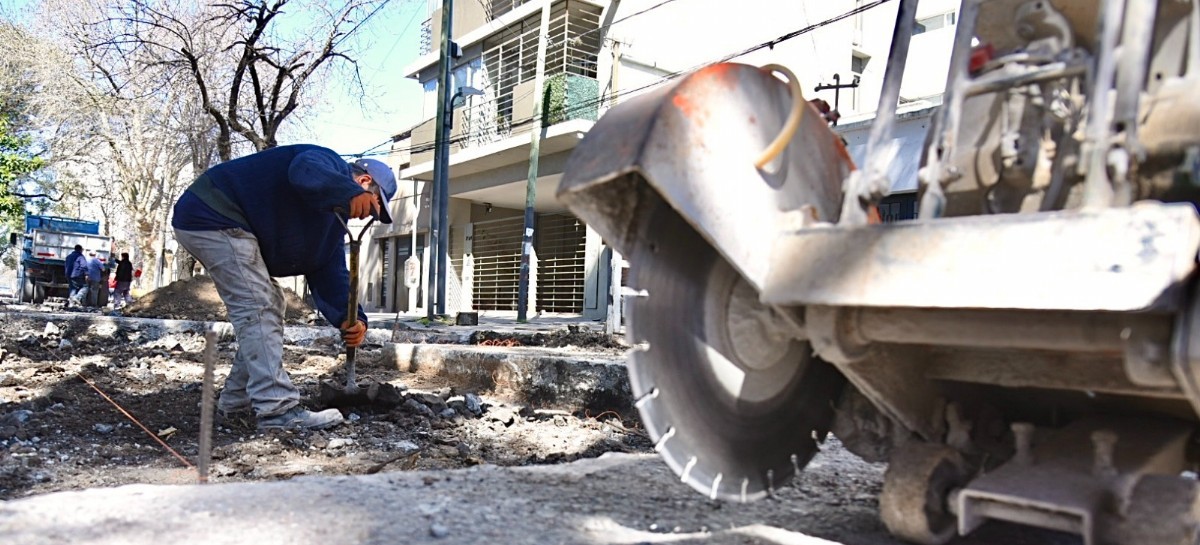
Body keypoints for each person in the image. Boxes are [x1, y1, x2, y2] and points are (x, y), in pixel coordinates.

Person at [171, 145, 396, 432]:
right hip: (214, 212)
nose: (368, 217)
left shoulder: (331, 224)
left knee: (270, 304)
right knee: (258, 305)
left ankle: (236, 402)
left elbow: (329, 270)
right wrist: (344, 190)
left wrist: (351, 318)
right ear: (365, 183)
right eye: (374, 206)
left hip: (227, 224)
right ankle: (277, 411)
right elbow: (304, 170)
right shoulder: (328, 163)